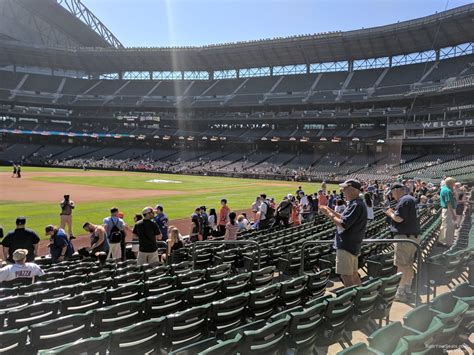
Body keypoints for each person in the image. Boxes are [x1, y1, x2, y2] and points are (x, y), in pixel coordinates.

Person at [320, 179, 367, 287]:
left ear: (353, 190)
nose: (343, 191)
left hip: (346, 246)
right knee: (354, 275)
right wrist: (330, 210)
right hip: (352, 245)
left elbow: (344, 224)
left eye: (345, 189)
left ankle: (352, 301)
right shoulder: (357, 203)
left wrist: (328, 214)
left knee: (346, 276)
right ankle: (359, 297)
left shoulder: (356, 204)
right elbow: (344, 218)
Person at [384, 182, 421, 302]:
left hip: (405, 238)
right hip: (412, 237)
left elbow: (399, 218)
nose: (392, 196)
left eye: (392, 193)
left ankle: (400, 292)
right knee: (408, 265)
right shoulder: (411, 199)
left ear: (397, 190)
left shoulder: (404, 199)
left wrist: (389, 212)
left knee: (401, 265)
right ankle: (407, 288)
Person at [438, 177, 457, 246]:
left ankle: (442, 241)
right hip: (449, 210)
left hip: (445, 210)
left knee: (444, 226)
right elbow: (449, 203)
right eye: (453, 183)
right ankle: (448, 243)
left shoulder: (444, 189)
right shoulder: (447, 191)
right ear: (450, 183)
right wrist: (453, 215)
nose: (454, 184)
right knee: (449, 227)